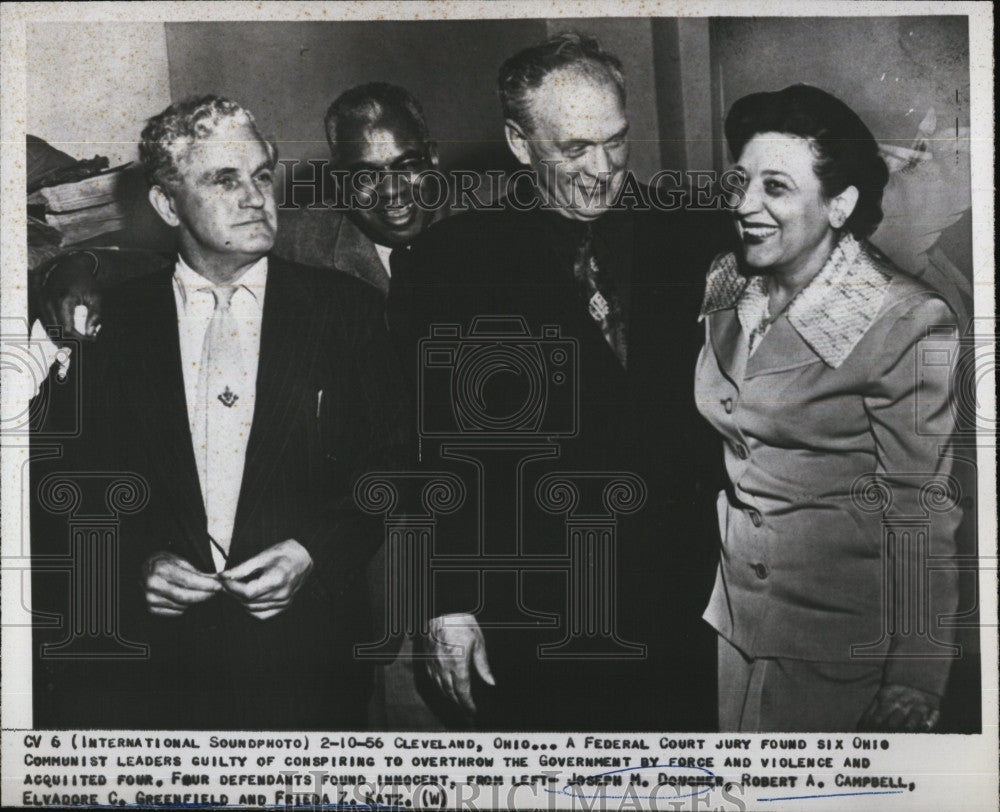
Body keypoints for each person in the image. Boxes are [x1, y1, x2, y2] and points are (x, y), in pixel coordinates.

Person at [389, 33, 736, 730]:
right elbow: (418, 449)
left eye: (616, 141)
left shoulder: (697, 235)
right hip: (535, 618)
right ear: (520, 143)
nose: (602, 169)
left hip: (687, 606)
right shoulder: (448, 264)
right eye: (574, 149)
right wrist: (444, 599)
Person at [31, 96, 409, 729]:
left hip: (310, 665)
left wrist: (315, 552)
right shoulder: (110, 323)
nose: (256, 196)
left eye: (263, 173)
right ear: (166, 204)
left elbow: (393, 464)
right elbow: (63, 482)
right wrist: (135, 564)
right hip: (159, 673)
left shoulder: (347, 311)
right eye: (224, 179)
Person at [695, 84, 961, 732]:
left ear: (839, 204)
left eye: (776, 188)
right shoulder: (726, 282)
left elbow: (919, 509)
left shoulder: (905, 320)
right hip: (732, 623)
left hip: (838, 645)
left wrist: (914, 677)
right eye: (742, 181)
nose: (746, 205)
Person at [274, 81, 443, 294]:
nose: (391, 190)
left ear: (433, 158)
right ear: (339, 180)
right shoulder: (293, 244)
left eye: (407, 165)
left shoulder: (490, 221)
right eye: (365, 175)